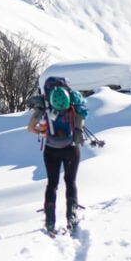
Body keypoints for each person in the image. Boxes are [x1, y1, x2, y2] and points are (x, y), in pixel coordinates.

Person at [27, 85, 85, 233]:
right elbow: (81, 124)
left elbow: (30, 128)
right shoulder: (73, 108)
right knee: (70, 182)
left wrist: (44, 134)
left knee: (52, 184)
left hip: (51, 150)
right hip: (71, 149)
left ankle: (50, 220)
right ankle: (71, 216)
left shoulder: (46, 109)